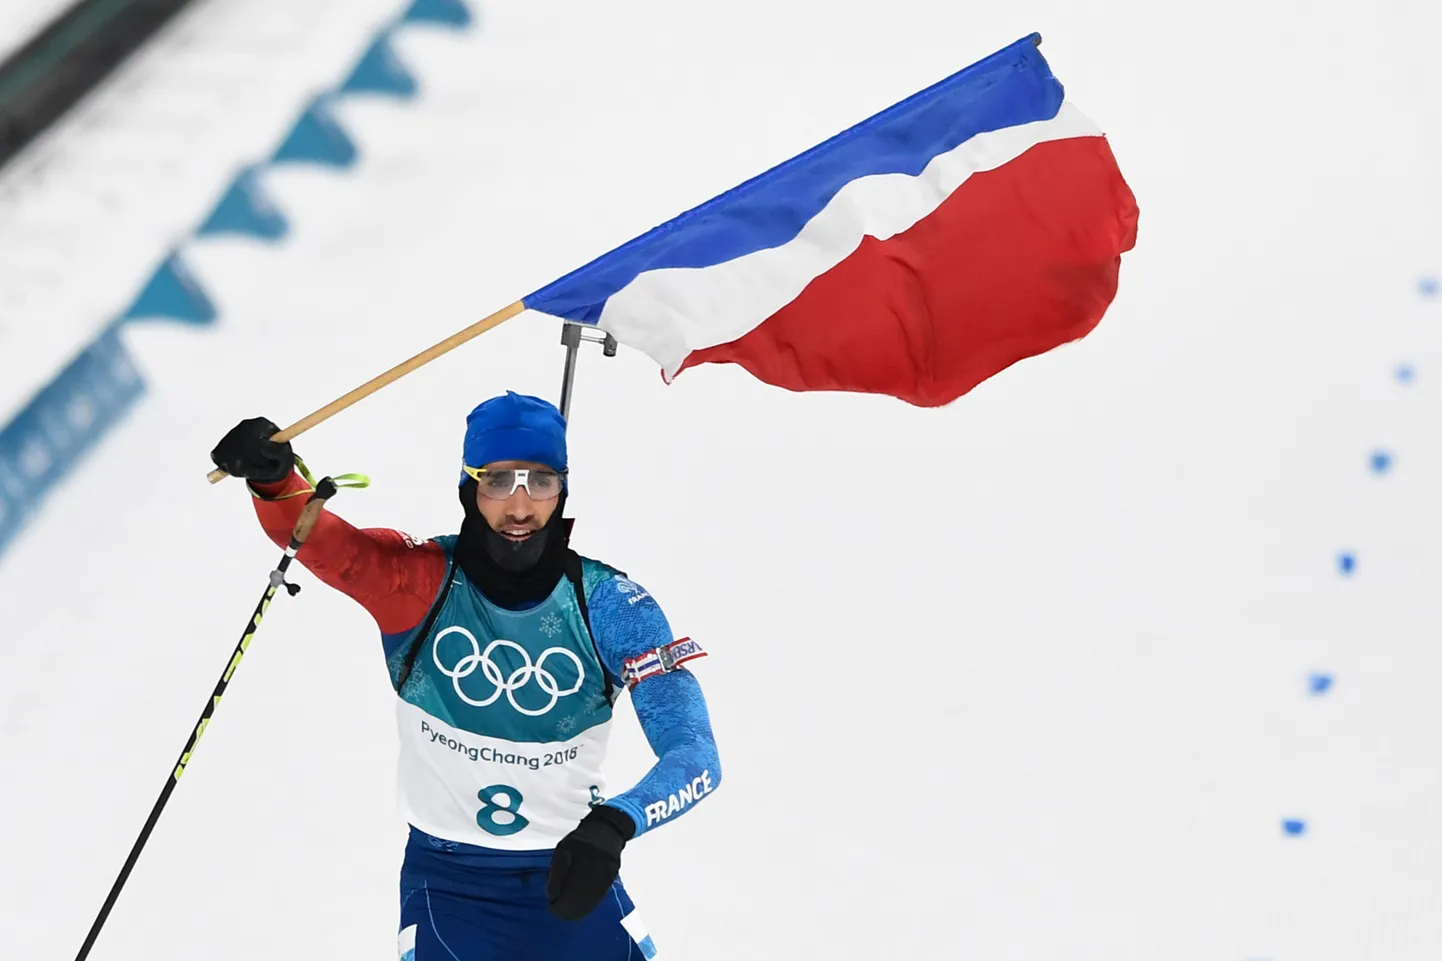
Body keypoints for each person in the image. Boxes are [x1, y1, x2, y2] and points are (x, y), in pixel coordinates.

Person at [210, 390, 721, 961]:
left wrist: (614, 826)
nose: (521, 507)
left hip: (573, 875)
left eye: (542, 481)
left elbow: (695, 754)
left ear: (564, 487)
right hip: (450, 887)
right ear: (468, 488)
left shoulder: (610, 605)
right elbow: (329, 545)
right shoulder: (419, 584)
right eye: (499, 482)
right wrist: (276, 482)